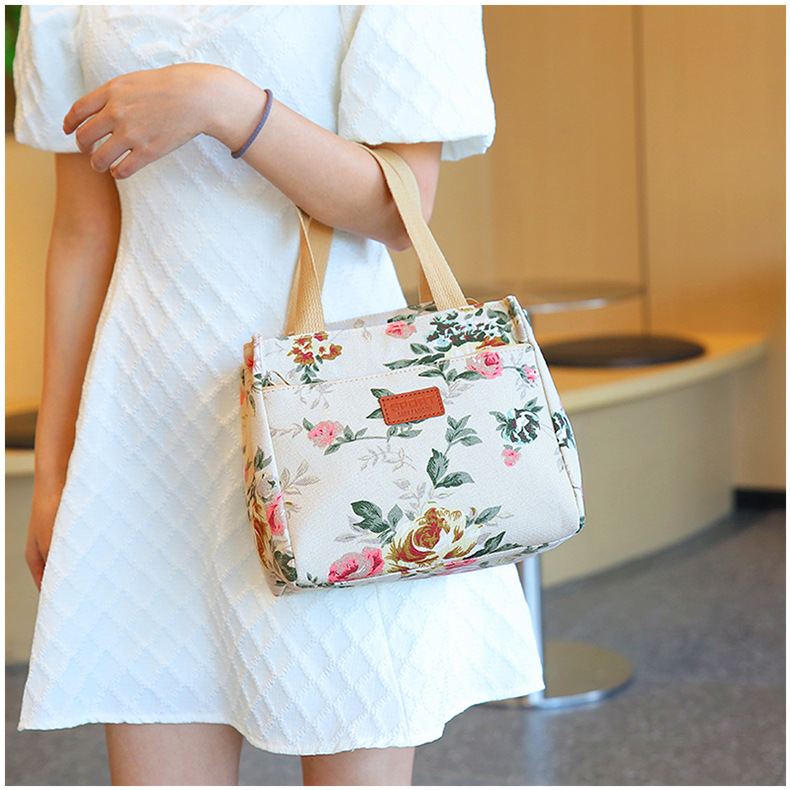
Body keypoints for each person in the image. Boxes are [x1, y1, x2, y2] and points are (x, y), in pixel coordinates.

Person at [13, 6, 545, 786]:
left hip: (340, 425)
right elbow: (82, 232)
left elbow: (398, 206)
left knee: (356, 725)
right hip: (147, 430)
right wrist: (55, 468)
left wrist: (225, 104)